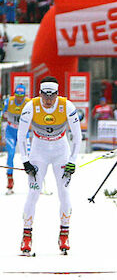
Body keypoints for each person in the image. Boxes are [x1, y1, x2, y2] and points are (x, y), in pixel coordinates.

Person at [17, 76, 83, 255]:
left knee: (64, 192)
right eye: (45, 96)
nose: (48, 100)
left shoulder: (67, 106)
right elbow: (21, 136)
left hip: (61, 150)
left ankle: (64, 234)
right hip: (39, 151)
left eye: (51, 96)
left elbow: (77, 137)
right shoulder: (31, 106)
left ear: (57, 94)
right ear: (39, 94)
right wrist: (25, 160)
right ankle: (27, 237)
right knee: (33, 192)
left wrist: (72, 161)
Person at [2, 84, 30, 194]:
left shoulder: (28, 102)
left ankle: (35, 182)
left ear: (24, 95)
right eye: (17, 95)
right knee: (11, 154)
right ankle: (10, 180)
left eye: (21, 96)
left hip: (23, 132)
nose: (19, 98)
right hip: (10, 132)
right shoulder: (9, 101)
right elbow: (2, 112)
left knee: (29, 155)